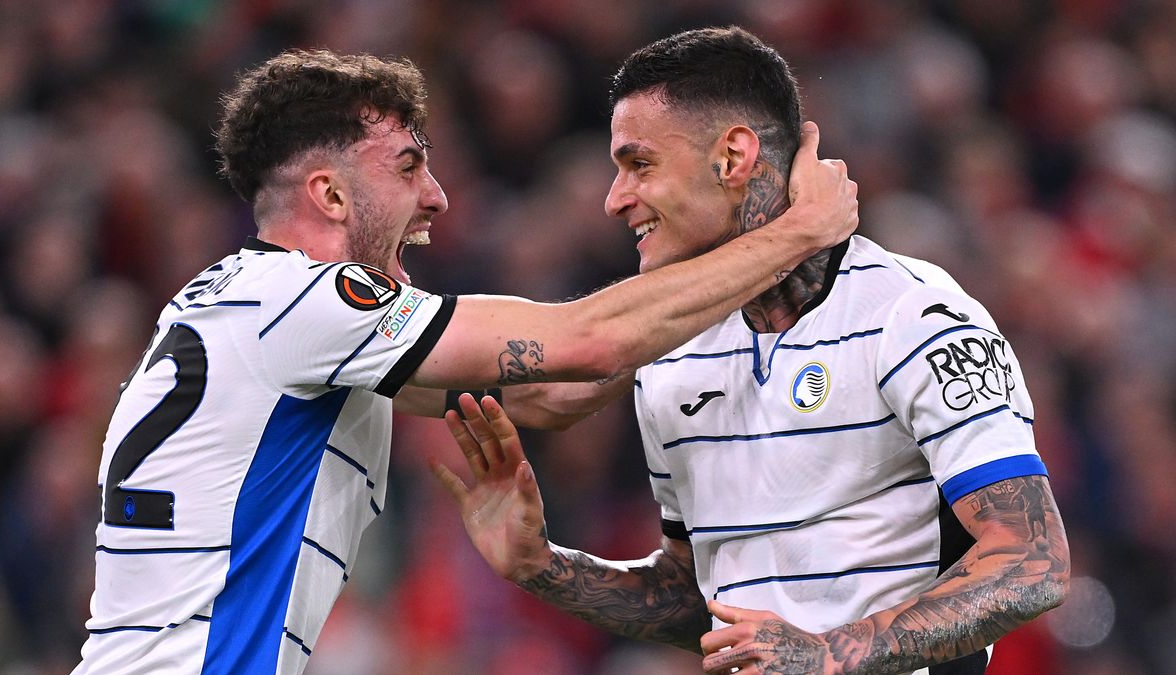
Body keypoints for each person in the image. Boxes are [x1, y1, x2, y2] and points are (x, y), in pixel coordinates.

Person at [72, 48, 856, 674]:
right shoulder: (310, 300)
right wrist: (791, 234)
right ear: (332, 196)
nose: (438, 197)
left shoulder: (244, 307)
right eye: (408, 167)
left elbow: (552, 391)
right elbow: (586, 339)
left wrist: (720, 263)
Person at [434, 27, 1069, 675]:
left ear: (733, 157)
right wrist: (545, 567)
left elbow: (1031, 560)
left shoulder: (913, 314)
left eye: (640, 163)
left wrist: (827, 656)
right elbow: (700, 597)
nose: (615, 198)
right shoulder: (672, 356)